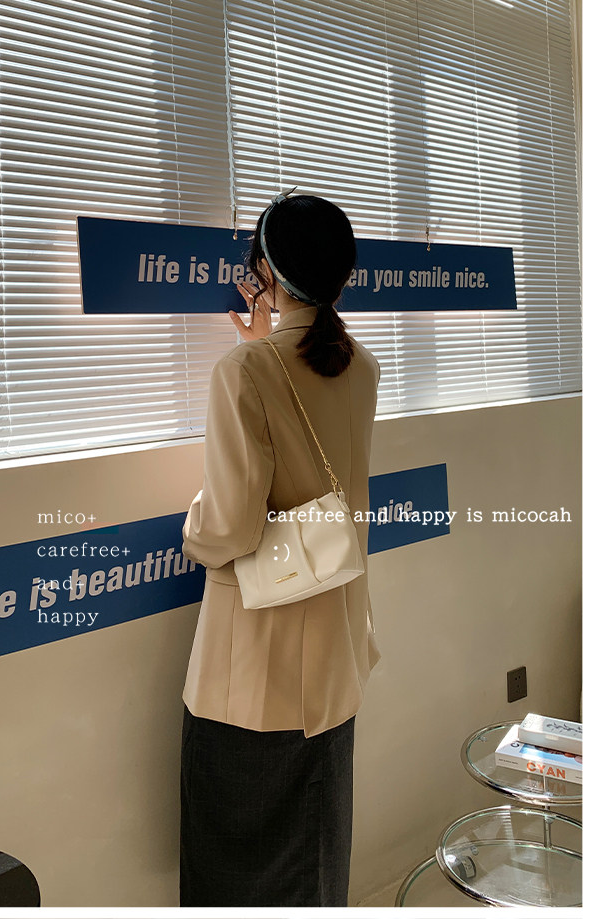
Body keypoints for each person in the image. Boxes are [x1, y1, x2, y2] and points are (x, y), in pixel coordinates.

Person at [179, 191, 381, 907]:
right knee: (316, 858)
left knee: (240, 871)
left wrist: (192, 530)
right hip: (336, 652)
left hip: (257, 669)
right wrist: (263, 342)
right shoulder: (362, 364)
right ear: (342, 278)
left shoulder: (245, 371)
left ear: (264, 272)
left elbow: (228, 527)